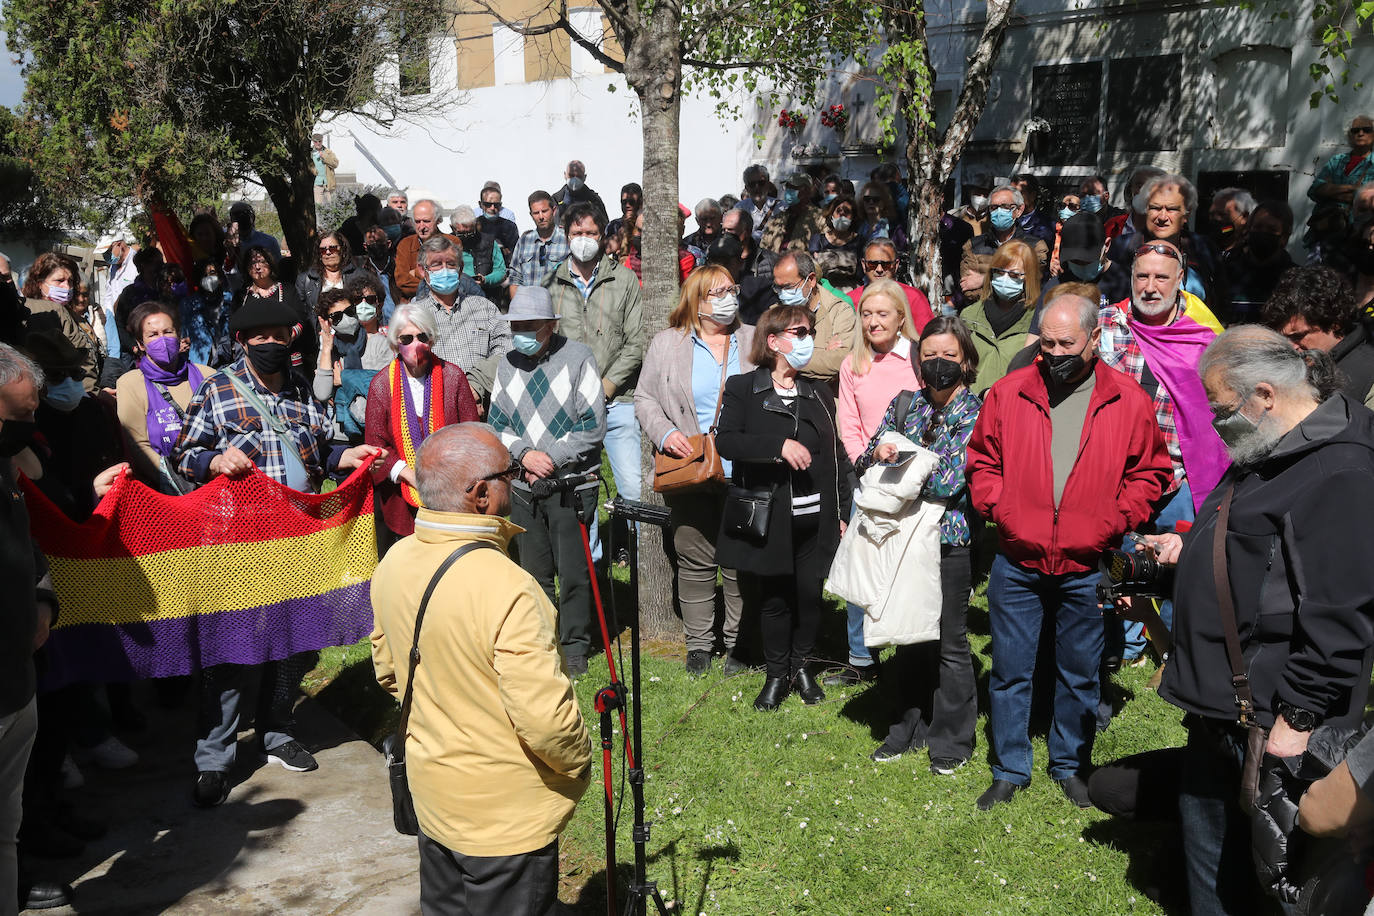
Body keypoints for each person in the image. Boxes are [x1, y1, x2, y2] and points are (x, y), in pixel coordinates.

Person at [1150, 325, 1374, 916]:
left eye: (1224, 408)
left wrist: (1297, 716)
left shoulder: (1340, 471)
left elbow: (1339, 615)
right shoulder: (1276, 444)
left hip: (1273, 718)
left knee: (1274, 871)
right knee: (1210, 850)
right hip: (1224, 705)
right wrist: (1185, 550)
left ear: (1267, 394)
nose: (1221, 422)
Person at [369, 423, 590, 915]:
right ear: (481, 494)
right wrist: (579, 761)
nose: (517, 480)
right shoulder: (509, 586)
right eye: (510, 473)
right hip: (503, 823)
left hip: (433, 799)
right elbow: (546, 721)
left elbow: (387, 672)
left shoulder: (394, 560)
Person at [172, 295, 384, 806]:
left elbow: (323, 444)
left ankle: (277, 729)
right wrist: (212, 461)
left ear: (292, 339)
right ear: (242, 341)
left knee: (295, 643)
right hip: (237, 546)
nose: (271, 343)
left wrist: (344, 454)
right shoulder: (218, 389)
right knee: (231, 651)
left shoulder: (299, 391)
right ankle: (214, 757)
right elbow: (182, 454)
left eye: (279, 335)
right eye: (260, 336)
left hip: (299, 540)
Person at [966, 293, 1172, 811]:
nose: (1054, 352)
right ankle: (1010, 766)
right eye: (1047, 342)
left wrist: (1113, 520)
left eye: (1066, 343)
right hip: (1018, 559)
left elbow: (1151, 473)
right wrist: (1003, 510)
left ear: (1094, 340)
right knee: (1011, 670)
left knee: (1079, 669)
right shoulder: (1009, 393)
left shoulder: (1128, 399)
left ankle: (1070, 763)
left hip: (1087, 563)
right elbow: (981, 462)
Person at [1096, 239, 1229, 662]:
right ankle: (1125, 643)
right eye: (1142, 276)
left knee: (1181, 566)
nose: (1150, 286)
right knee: (1119, 558)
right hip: (1120, 475)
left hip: (1184, 474)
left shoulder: (1205, 336)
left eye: (1161, 278)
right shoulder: (1107, 325)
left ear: (1180, 282)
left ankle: (1176, 649)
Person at [715, 305, 852, 711]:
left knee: (809, 595)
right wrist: (776, 447)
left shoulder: (818, 391)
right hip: (771, 517)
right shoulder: (744, 387)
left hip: (817, 515)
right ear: (773, 341)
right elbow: (727, 442)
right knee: (775, 599)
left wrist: (842, 510)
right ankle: (777, 674)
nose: (807, 339)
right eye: (799, 331)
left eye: (810, 331)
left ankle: (802, 667)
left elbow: (836, 455)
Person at [860, 316, 982, 773]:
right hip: (899, 538)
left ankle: (951, 740)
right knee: (908, 638)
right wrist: (883, 455)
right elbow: (866, 458)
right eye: (929, 355)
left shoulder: (976, 412)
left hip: (948, 542)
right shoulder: (906, 404)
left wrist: (901, 461)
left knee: (950, 642)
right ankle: (907, 729)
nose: (938, 364)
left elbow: (950, 482)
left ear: (966, 361)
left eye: (949, 355)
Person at [635, 266, 756, 676]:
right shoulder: (668, 343)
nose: (728, 298)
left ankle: (739, 642)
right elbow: (645, 398)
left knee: (741, 560)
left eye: (731, 290)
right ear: (698, 302)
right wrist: (666, 433)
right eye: (718, 292)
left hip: (744, 469)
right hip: (689, 466)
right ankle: (700, 646)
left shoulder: (754, 339)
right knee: (695, 558)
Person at [487, 287, 607, 677]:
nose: (521, 332)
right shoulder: (507, 364)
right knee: (533, 573)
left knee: (573, 573)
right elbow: (497, 424)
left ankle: (574, 647)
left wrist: (550, 459)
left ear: (550, 325)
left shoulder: (578, 358)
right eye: (516, 325)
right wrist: (525, 455)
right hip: (524, 486)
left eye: (529, 326)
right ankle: (541, 642)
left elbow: (593, 425)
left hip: (570, 486)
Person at [0, 341, 71, 914]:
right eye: (20, 415)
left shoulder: (8, 465)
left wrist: (42, 602)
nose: (30, 426)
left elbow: (27, 545)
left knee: (6, 825)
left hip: (17, 683)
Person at [831, 280, 920, 686]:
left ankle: (908, 654)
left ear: (901, 316)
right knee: (859, 570)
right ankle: (860, 658)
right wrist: (862, 464)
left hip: (914, 481)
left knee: (906, 572)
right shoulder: (854, 363)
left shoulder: (918, 358)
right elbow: (848, 423)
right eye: (866, 314)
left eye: (882, 313)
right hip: (868, 481)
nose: (873, 322)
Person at [545, 203, 644, 562]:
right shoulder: (551, 282)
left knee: (632, 488)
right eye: (576, 234)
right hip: (571, 409)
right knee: (579, 490)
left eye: (590, 233)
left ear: (603, 236)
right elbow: (545, 341)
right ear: (565, 236)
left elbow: (637, 341)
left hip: (618, 403)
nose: (583, 240)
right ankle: (591, 565)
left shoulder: (625, 279)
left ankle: (634, 557)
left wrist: (607, 386)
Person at [365, 301, 480, 542]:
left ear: (432, 339)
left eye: (422, 337)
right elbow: (376, 447)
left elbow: (472, 434)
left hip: (452, 492)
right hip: (401, 497)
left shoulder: (453, 377)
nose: (415, 344)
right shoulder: (380, 385)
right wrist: (411, 476)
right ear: (395, 342)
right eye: (406, 339)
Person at [115, 302, 213, 489]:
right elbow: (138, 445)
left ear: (178, 335)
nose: (162, 339)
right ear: (140, 344)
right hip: (166, 490)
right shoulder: (130, 384)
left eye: (168, 332)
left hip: (213, 482)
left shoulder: (207, 375)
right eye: (153, 335)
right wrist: (177, 484)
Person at [410, 236, 510, 403]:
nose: (445, 270)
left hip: (486, 404)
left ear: (460, 269)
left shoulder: (484, 308)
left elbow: (505, 349)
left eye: (451, 264)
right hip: (435, 409)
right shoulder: (413, 317)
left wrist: (476, 388)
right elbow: (407, 365)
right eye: (436, 264)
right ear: (422, 270)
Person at [1120, 173, 1229, 319]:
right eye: (1155, 208)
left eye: (1171, 209)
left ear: (1186, 215)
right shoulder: (1122, 248)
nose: (1162, 217)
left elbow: (1221, 299)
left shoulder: (1203, 248)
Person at [1263, 265, 1374, 403]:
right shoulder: (1288, 367)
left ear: (1335, 324)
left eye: (1298, 336)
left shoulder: (1368, 375)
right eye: (1282, 337)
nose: (1290, 347)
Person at [961, 240, 1040, 392]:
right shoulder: (969, 316)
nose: (1005, 279)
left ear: (1029, 277)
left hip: (1013, 407)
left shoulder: (1037, 320)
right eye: (999, 272)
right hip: (972, 408)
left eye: (1014, 274)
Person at [769, 251, 858, 386]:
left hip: (825, 400)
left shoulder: (840, 310)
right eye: (778, 287)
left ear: (811, 280)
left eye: (788, 287)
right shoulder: (774, 312)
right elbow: (765, 357)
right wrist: (821, 353)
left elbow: (841, 361)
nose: (783, 294)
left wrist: (784, 355)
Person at [20, 253, 99, 392]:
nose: (66, 287)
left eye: (70, 281)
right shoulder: (29, 313)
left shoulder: (71, 314)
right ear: (40, 283)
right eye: (59, 280)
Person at [959, 183, 1050, 304]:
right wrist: (1012, 282)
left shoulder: (1035, 247)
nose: (999, 211)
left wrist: (984, 279)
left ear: (1019, 210)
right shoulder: (974, 245)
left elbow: (1031, 287)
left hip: (1020, 316)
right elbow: (969, 291)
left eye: (1005, 207)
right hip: (981, 314)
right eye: (994, 207)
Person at [236, 245, 316, 373]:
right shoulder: (241, 297)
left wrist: (287, 338)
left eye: (262, 261)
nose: (257, 267)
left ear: (270, 263)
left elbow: (300, 318)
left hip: (289, 353)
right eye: (252, 263)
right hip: (255, 358)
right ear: (246, 268)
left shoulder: (287, 290)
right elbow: (234, 326)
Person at [1221, 199, 1295, 321]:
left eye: (1271, 229)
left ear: (1284, 238)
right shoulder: (1226, 272)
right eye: (1258, 227)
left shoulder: (1294, 280)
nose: (1263, 233)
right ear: (1249, 230)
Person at [846, 238, 935, 332]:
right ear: (864, 265)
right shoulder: (849, 300)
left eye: (886, 265)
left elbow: (927, 338)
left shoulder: (914, 297)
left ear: (896, 265)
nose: (879, 269)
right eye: (872, 264)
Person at [296, 230, 373, 317]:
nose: (328, 252)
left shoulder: (361, 275)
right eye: (323, 250)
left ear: (342, 250)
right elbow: (301, 314)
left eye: (332, 248)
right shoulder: (306, 280)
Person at [394, 199, 454, 303]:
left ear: (437, 220)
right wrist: (437, 283)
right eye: (417, 222)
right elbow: (402, 282)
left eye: (426, 221)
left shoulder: (452, 242)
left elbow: (452, 279)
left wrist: (415, 273)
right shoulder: (405, 245)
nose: (421, 227)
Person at [509, 191, 569, 293]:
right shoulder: (524, 241)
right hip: (529, 306)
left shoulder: (567, 240)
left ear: (554, 211)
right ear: (531, 215)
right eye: (536, 213)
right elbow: (515, 278)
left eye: (544, 211)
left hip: (558, 306)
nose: (541, 217)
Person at [759, 173, 825, 258]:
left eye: (793, 188)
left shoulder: (819, 218)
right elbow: (764, 245)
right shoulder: (778, 218)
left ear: (806, 191)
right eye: (787, 187)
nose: (788, 191)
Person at [807, 195, 864, 289]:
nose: (842, 214)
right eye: (839, 211)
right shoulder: (817, 240)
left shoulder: (860, 241)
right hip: (823, 292)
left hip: (851, 294)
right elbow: (813, 270)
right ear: (831, 214)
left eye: (847, 212)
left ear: (853, 217)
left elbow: (861, 273)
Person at [184, 258, 233, 367]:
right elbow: (184, 336)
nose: (209, 278)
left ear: (220, 277)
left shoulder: (231, 300)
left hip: (229, 361)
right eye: (204, 275)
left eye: (212, 273)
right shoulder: (188, 304)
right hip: (202, 363)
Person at [451, 205, 506, 301]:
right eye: (461, 234)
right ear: (452, 228)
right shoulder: (446, 244)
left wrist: (485, 279)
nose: (466, 237)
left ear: (475, 225)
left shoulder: (490, 242)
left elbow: (501, 271)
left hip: (486, 297)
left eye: (470, 233)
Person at [856, 181, 907, 251]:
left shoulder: (894, 229)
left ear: (884, 203)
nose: (871, 202)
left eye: (875, 199)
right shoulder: (858, 227)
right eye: (867, 199)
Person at [552, 159, 608, 223]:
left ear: (584, 177)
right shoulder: (556, 199)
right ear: (565, 175)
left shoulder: (594, 200)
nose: (575, 179)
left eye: (579, 176)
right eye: (571, 175)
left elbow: (605, 225)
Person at [735, 164, 781, 242]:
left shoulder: (781, 207)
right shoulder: (739, 209)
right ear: (747, 188)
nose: (757, 188)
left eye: (761, 183)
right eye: (752, 184)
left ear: (768, 184)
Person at [1206, 187, 1255, 253]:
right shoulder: (1203, 248)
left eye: (1222, 214)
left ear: (1244, 217)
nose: (1216, 219)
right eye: (1211, 215)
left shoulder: (1252, 253)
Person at [1011, 173, 1053, 246]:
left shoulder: (1046, 224)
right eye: (1011, 193)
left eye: (1019, 193)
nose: (1013, 198)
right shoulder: (1005, 219)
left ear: (1033, 195)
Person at [338, 192, 382, 258]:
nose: (382, 213)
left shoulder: (381, 230)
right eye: (379, 210)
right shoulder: (348, 228)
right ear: (370, 212)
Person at [684, 198, 723, 262]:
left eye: (712, 218)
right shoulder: (688, 243)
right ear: (697, 221)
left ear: (721, 218)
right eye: (704, 219)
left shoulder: (730, 240)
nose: (708, 224)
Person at [310, 133, 338, 206]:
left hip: (328, 183)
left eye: (320, 141)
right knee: (318, 207)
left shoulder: (328, 152)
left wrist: (325, 157)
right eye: (316, 142)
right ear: (313, 142)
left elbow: (335, 164)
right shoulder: (310, 153)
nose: (318, 143)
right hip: (316, 184)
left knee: (331, 206)